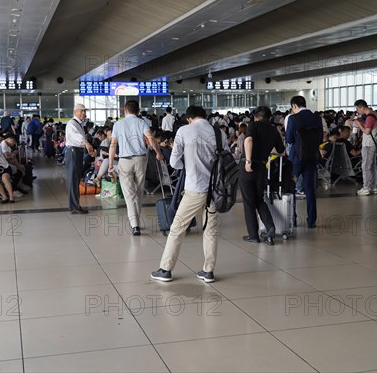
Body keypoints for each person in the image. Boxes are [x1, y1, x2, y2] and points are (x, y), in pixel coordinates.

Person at [151, 106, 225, 283]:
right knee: (210, 229)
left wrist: (189, 163)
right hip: (215, 190)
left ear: (189, 118)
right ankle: (208, 271)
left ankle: (165, 269)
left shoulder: (184, 130)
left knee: (177, 228)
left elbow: (174, 162)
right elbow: (225, 159)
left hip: (195, 188)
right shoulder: (218, 132)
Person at [109, 100, 162, 236]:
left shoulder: (118, 124)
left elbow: (113, 145)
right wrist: (158, 152)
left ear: (125, 111)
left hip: (125, 161)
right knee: (139, 192)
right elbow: (150, 138)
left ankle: (135, 225)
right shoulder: (142, 122)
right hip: (140, 160)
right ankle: (136, 222)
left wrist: (110, 164)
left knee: (129, 194)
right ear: (138, 111)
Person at [239, 106, 285, 246]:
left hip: (248, 166)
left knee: (248, 201)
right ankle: (270, 227)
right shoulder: (274, 130)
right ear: (270, 118)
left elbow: (248, 140)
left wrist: (248, 161)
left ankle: (253, 235)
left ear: (256, 117)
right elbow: (282, 152)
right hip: (262, 167)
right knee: (260, 199)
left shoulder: (253, 124)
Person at [285, 96, 323, 229]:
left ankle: (293, 219)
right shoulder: (316, 118)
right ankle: (311, 220)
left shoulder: (293, 118)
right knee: (310, 189)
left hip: (296, 160)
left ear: (294, 106)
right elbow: (320, 138)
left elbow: (289, 139)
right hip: (312, 158)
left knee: (291, 187)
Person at [65, 104, 94, 214]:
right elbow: (77, 137)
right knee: (73, 179)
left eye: (85, 111)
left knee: (76, 179)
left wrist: (87, 146)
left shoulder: (79, 124)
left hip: (78, 151)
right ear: (75, 111)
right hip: (73, 152)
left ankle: (75, 205)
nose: (84, 113)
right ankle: (74, 206)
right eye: (82, 111)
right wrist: (86, 143)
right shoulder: (72, 123)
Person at [353, 100, 377, 196]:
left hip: (368, 144)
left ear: (362, 107)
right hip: (373, 143)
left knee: (366, 166)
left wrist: (358, 124)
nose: (357, 111)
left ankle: (366, 187)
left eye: (357, 109)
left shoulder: (370, 117)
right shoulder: (374, 114)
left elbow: (367, 131)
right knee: (371, 166)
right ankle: (373, 186)